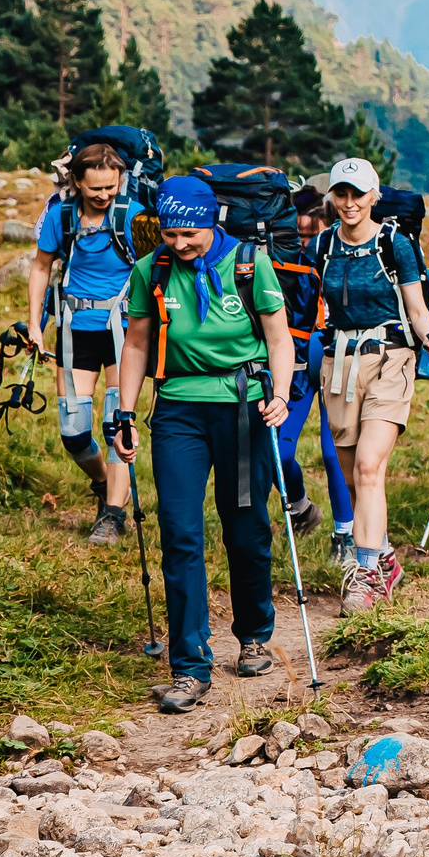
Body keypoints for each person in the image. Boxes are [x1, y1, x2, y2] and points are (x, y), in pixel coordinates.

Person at [106, 174, 294, 714]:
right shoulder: (152, 269)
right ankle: (190, 667)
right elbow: (136, 345)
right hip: (177, 412)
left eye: (190, 233)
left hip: (243, 407)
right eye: (171, 234)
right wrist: (124, 414)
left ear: (212, 222)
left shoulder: (249, 264)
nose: (180, 243)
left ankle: (254, 634)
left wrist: (280, 395)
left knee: (246, 526)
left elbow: (278, 338)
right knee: (180, 533)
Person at [314, 157, 429, 608]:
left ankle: (367, 574)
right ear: (333, 196)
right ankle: (385, 556)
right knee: (355, 475)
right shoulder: (323, 245)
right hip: (340, 364)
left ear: (374, 196)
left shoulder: (395, 243)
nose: (349, 202)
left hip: (391, 358)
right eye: (341, 193)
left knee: (370, 466)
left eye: (357, 194)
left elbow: (416, 307)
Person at [30, 141, 141, 543]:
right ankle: (107, 483)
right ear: (76, 181)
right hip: (75, 328)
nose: (104, 195)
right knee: (73, 432)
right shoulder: (60, 215)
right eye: (96, 188)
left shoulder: (132, 216)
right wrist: (35, 323)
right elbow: (41, 267)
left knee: (116, 425)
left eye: (111, 187)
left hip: (123, 331)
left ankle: (113, 515)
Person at [273, 186, 357, 570]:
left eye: (311, 234)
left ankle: (346, 534)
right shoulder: (279, 260)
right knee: (277, 452)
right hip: (294, 362)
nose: (304, 242)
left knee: (333, 449)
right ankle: (301, 507)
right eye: (298, 234)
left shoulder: (340, 255)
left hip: (337, 357)